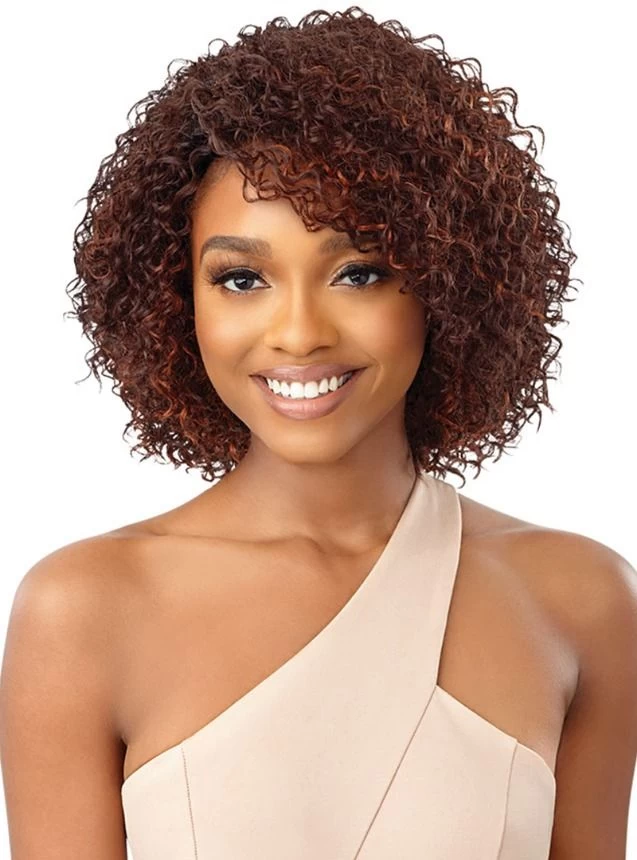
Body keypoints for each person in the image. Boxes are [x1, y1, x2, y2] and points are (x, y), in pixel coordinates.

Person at [1, 6, 635, 859]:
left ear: (446, 283)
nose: (298, 334)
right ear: (174, 300)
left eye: (357, 272)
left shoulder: (579, 600)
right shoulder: (81, 611)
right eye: (242, 279)